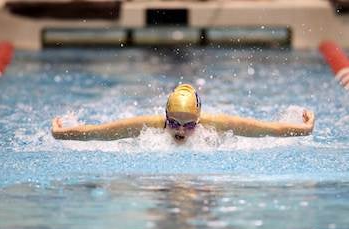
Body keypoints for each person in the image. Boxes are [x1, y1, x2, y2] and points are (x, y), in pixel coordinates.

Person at [52, 84, 315, 143]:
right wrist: (63, 133)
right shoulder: (149, 126)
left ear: (199, 120)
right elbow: (100, 133)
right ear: (164, 116)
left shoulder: (219, 124)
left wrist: (305, 129)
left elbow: (268, 129)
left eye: (189, 126)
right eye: (174, 123)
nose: (179, 130)